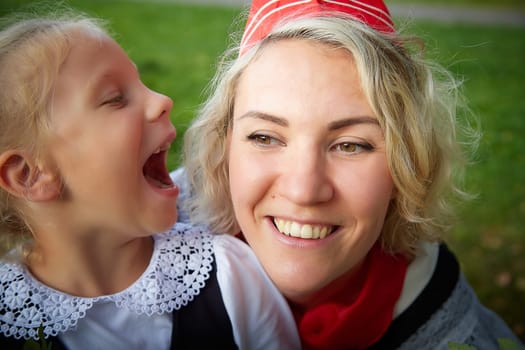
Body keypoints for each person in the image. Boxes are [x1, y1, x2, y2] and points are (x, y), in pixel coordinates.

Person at [173, 0, 523, 348]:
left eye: (350, 145)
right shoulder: (138, 263)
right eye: (264, 137)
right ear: (223, 147)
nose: (303, 190)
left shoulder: (455, 334)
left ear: (408, 163)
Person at [0, 10, 300, 350]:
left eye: (141, 83)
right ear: (29, 175)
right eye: (115, 98)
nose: (162, 100)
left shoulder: (230, 276)